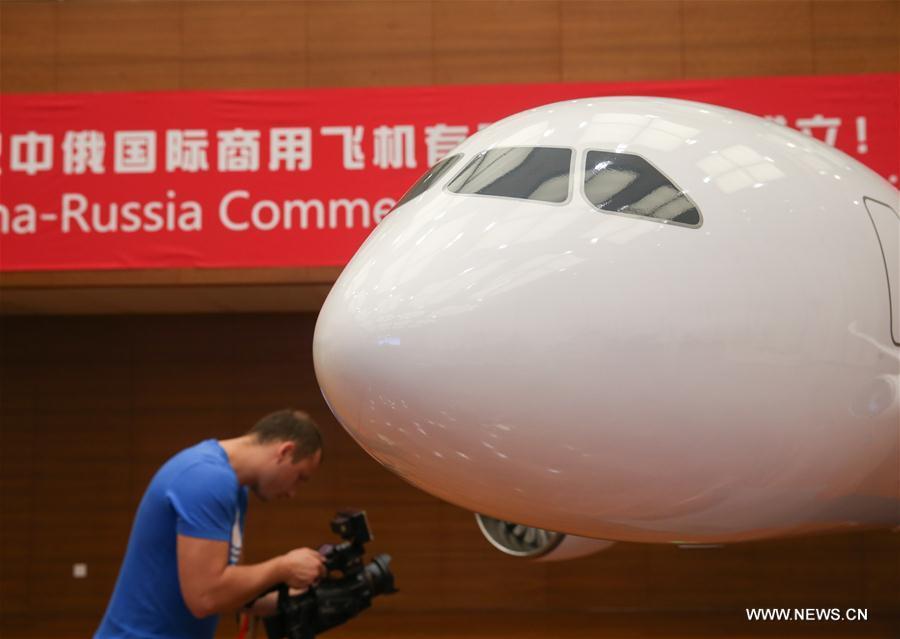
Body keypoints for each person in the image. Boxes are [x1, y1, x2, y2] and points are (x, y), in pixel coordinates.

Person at [95, 409, 327, 639]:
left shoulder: (235, 488)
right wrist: (283, 568)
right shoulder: (208, 478)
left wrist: (304, 599)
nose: (292, 493)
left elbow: (231, 593)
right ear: (285, 452)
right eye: (300, 477)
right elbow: (205, 597)